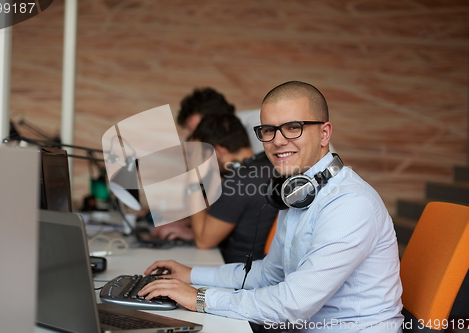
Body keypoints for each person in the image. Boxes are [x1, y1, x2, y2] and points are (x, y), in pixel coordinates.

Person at [139, 81, 403, 332]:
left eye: (292, 127)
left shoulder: (349, 204)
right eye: (268, 130)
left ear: (325, 133)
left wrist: (199, 298)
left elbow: (292, 305)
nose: (277, 141)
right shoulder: (297, 193)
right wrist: (192, 274)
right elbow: (267, 275)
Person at [153, 113, 278, 264]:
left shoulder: (239, 181)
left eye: (198, 155)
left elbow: (204, 242)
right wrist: (190, 230)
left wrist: (194, 178)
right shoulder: (267, 166)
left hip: (238, 272)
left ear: (218, 152)